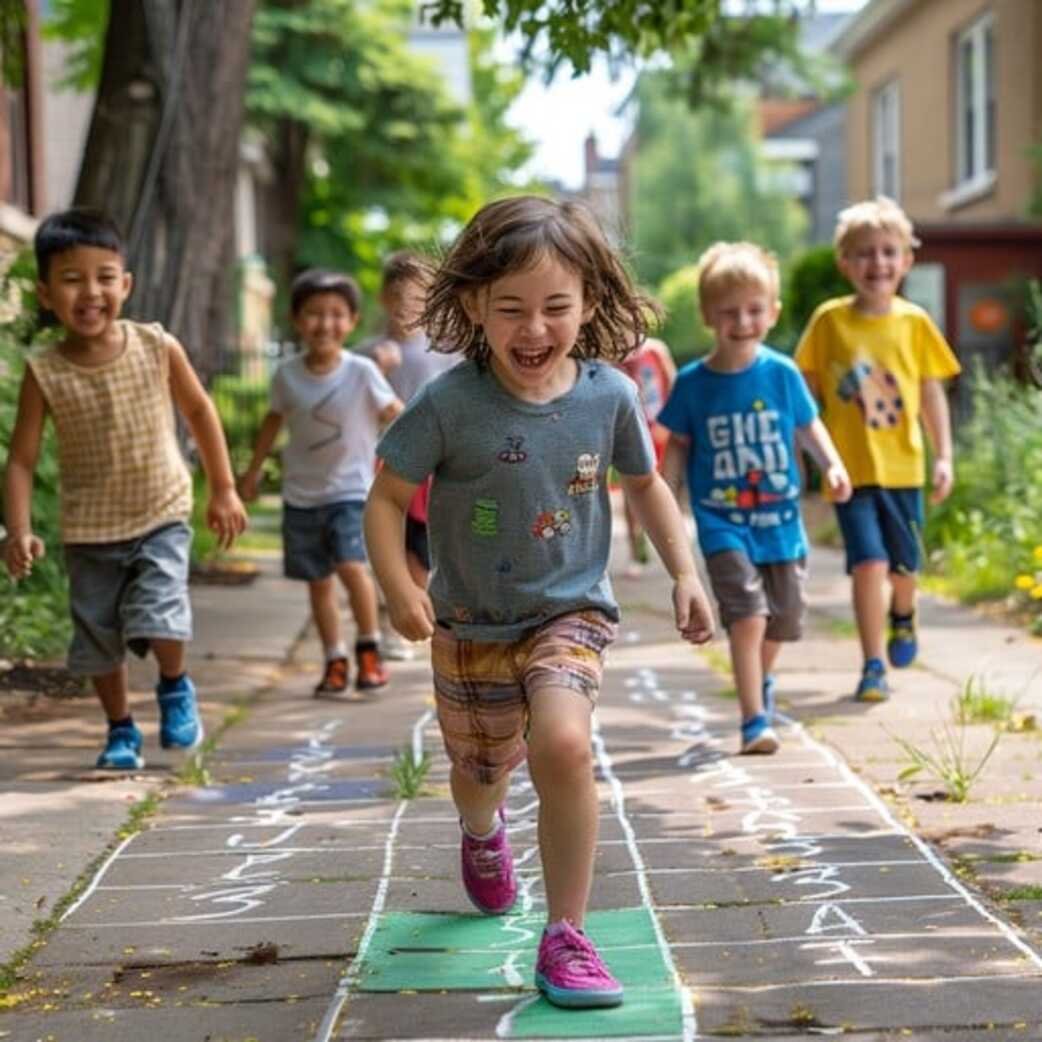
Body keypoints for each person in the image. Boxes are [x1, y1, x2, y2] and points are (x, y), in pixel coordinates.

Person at [364, 195, 715, 1010]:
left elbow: (647, 485)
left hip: (570, 612)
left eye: (555, 307)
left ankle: (567, 934)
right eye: (511, 309)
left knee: (563, 744)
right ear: (475, 306)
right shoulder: (449, 404)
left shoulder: (610, 397)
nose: (534, 329)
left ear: (591, 303)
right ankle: (483, 835)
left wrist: (684, 572)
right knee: (477, 774)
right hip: (470, 622)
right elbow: (384, 502)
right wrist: (398, 585)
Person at [2, 208, 247, 770]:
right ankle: (119, 729)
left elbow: (199, 411)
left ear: (126, 284)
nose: (91, 292)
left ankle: (175, 683)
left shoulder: (157, 346)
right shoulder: (46, 371)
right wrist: (19, 529)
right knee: (99, 638)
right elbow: (20, 459)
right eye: (71, 279)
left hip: (160, 510)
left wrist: (224, 489)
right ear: (45, 293)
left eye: (104, 277)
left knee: (159, 609)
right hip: (89, 527)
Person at [659, 242, 851, 754]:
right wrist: (668, 498)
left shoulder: (782, 373)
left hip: (781, 522)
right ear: (707, 316)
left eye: (753, 310)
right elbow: (676, 446)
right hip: (723, 522)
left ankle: (758, 682)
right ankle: (753, 720)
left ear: (773, 312)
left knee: (783, 621)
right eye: (728, 312)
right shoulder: (693, 383)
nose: (742, 321)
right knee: (747, 615)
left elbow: (809, 427)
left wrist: (831, 464)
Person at [795, 198, 961, 702]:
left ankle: (903, 615)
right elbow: (804, 392)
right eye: (864, 254)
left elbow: (931, 392)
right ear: (845, 263)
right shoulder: (829, 322)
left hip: (905, 468)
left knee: (903, 568)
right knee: (868, 563)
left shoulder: (914, 323)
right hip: (851, 471)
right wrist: (812, 456)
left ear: (906, 261)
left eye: (889, 252)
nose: (877, 264)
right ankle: (871, 665)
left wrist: (945, 456)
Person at [239, 270, 403, 696]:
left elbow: (395, 413)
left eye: (336, 315)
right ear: (296, 319)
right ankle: (334, 657)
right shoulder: (287, 375)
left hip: (351, 491)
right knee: (319, 582)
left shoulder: (362, 371)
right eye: (314, 314)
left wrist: (423, 455)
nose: (325, 324)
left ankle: (368, 648)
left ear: (351, 321)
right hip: (301, 495)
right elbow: (273, 422)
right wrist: (253, 472)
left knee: (352, 567)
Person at [618, 336, 677, 576]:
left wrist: (668, 424)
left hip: (659, 430)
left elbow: (674, 386)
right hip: (629, 433)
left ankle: (670, 552)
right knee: (632, 492)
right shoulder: (611, 356)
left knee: (664, 488)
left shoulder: (656, 349)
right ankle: (638, 554)